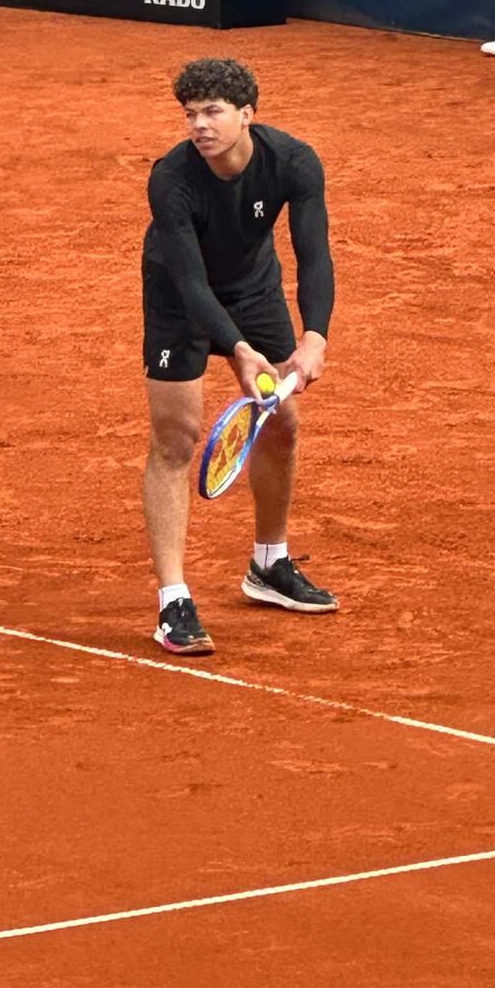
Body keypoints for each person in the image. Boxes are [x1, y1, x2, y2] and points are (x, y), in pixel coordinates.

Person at [141, 57, 338, 655]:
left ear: (247, 114)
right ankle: (173, 599)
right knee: (176, 438)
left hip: (253, 289)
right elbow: (191, 282)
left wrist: (315, 336)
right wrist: (240, 349)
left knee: (282, 422)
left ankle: (269, 564)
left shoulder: (294, 161)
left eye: (212, 112)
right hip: (179, 297)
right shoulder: (171, 178)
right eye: (190, 115)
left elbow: (314, 253)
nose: (198, 125)